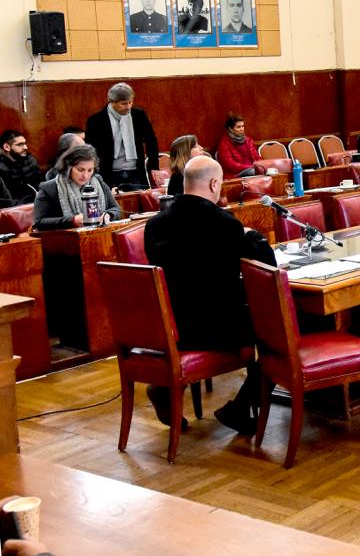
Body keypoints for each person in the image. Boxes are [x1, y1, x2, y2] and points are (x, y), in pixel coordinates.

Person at [144, 156, 276, 434]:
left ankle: (164, 387)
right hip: (213, 327)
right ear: (215, 183)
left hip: (169, 326)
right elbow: (266, 263)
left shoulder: (155, 224)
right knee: (277, 335)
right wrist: (253, 237)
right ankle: (241, 407)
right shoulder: (222, 223)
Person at [84, 82, 160, 191]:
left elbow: (151, 140)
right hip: (109, 173)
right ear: (111, 101)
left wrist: (153, 166)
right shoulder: (96, 120)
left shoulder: (139, 115)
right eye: (123, 104)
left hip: (136, 171)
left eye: (130, 102)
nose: (128, 107)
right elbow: (90, 149)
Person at [33, 144, 120, 230]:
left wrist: (108, 215)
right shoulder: (49, 188)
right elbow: (40, 222)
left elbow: (116, 209)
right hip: (65, 239)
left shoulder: (98, 181)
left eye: (90, 170)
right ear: (68, 167)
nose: (85, 175)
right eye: (80, 170)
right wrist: (73, 220)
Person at [0, 130, 43, 204]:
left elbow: (40, 184)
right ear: (7, 147)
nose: (25, 147)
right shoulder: (1, 168)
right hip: (15, 208)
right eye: (20, 144)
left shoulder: (30, 160)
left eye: (25, 143)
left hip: (38, 202)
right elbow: (5, 199)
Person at [215, 112, 259, 179]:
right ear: (230, 129)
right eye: (238, 127)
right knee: (253, 172)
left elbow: (257, 157)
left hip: (252, 169)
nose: (242, 129)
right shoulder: (224, 143)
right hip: (235, 174)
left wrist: (261, 165)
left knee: (269, 170)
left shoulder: (248, 140)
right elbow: (229, 165)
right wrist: (249, 167)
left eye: (243, 126)